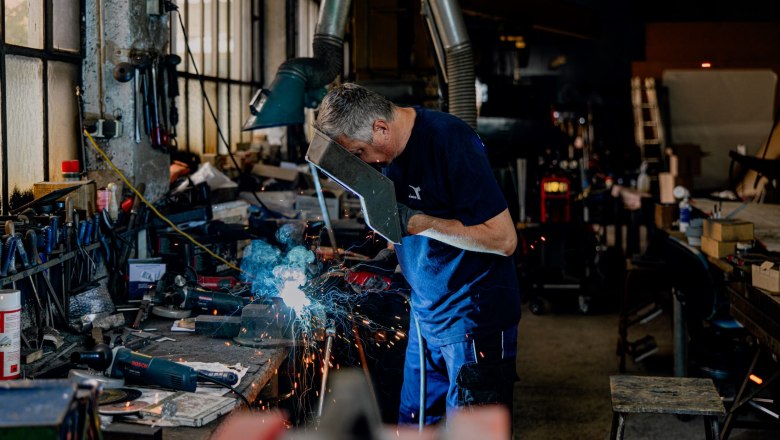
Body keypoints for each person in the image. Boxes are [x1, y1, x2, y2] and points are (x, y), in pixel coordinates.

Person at [314, 83, 521, 425]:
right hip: (426, 316)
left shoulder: (449, 141)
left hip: (473, 319)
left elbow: (503, 239)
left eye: (359, 153)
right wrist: (388, 257)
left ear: (380, 129)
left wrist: (419, 223)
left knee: (471, 432)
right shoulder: (386, 154)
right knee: (415, 424)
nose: (361, 162)